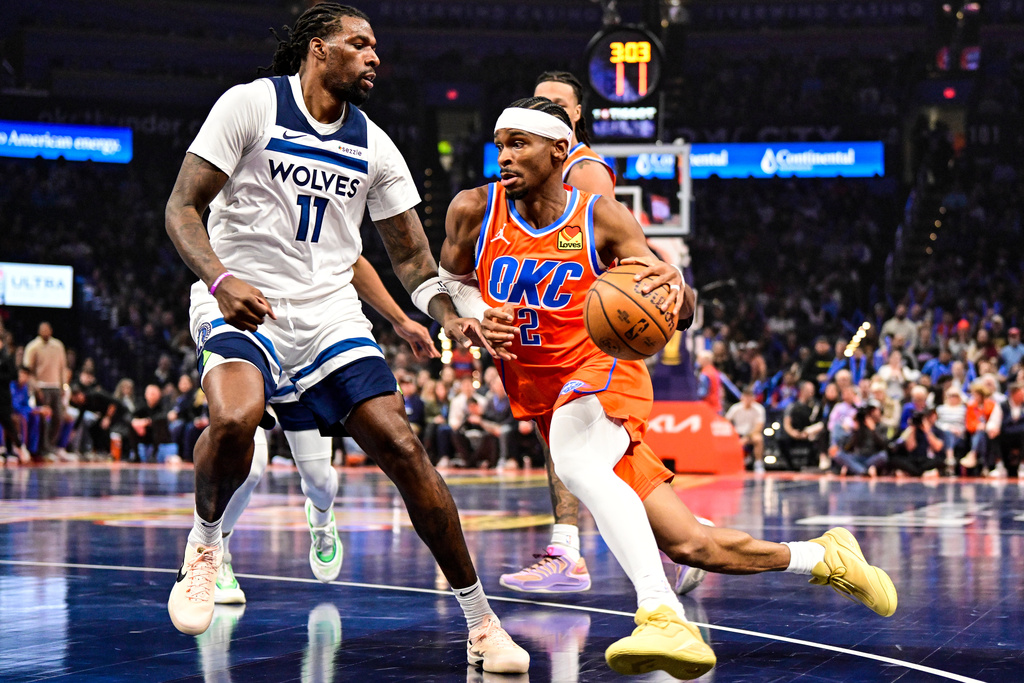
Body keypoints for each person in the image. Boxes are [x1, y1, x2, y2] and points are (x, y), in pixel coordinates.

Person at [439, 97, 897, 679]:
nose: (503, 156)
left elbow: (679, 305)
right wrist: (473, 312)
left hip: (604, 373)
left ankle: (661, 615)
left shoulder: (600, 217)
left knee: (576, 463)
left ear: (559, 151)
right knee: (690, 546)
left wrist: (677, 292)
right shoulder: (473, 209)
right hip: (543, 390)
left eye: (519, 144)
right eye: (500, 143)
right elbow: (447, 283)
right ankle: (823, 557)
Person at [162, 5, 528, 673]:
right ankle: (206, 546)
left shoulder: (375, 146)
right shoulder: (251, 107)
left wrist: (445, 312)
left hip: (330, 312)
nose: (373, 56)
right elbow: (181, 206)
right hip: (243, 298)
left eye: (376, 46)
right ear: (316, 48)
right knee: (236, 416)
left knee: (403, 445)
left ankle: (481, 623)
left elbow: (413, 261)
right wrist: (218, 281)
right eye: (359, 44)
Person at [533, 71, 615, 197]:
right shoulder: (541, 163)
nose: (549, 111)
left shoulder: (587, 171)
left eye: (559, 105)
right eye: (541, 104)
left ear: (577, 113)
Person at [23, 322, 69, 461]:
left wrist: (64, 386)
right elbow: (27, 370)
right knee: (44, 419)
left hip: (55, 386)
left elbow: (63, 368)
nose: (45, 331)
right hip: (41, 387)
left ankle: (51, 446)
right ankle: (42, 448)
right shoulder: (33, 347)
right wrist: (35, 387)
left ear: (51, 330)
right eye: (42, 329)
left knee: (58, 417)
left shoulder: (58, 346)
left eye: (47, 329)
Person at [833, 405, 889, 477]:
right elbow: (847, 448)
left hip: (871, 457)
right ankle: (863, 471)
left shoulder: (881, 427)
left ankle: (856, 469)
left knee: (883, 456)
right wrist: (855, 431)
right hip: (858, 457)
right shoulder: (859, 427)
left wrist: (873, 430)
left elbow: (884, 445)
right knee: (839, 455)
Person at [725, 386, 767, 474]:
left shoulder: (759, 409)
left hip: (751, 434)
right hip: (737, 434)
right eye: (746, 396)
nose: (748, 399)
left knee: (758, 439)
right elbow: (726, 422)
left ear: (753, 398)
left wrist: (747, 438)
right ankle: (730, 463)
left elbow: (759, 427)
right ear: (742, 397)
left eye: (750, 396)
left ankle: (758, 463)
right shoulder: (735, 408)